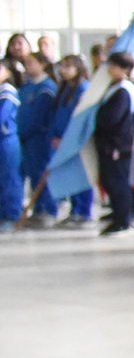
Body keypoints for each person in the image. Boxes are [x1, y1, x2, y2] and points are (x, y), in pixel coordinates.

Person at [93, 51, 134, 235]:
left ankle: (123, 219)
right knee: (109, 180)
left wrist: (96, 119)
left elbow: (112, 118)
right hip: (108, 143)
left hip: (118, 144)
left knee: (118, 182)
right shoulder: (113, 87)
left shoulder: (123, 91)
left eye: (113, 66)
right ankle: (116, 213)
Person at [51, 55, 96, 227]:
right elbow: (57, 115)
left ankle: (84, 212)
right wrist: (54, 136)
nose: (64, 70)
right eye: (62, 66)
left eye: (68, 66)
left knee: (81, 175)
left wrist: (69, 139)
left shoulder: (83, 88)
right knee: (70, 175)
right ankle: (74, 210)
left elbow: (80, 118)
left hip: (76, 141)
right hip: (61, 140)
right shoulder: (64, 89)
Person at [13, 38, 51, 227]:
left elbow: (39, 116)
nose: (27, 66)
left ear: (42, 64)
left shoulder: (46, 88)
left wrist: (26, 131)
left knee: (40, 173)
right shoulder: (27, 85)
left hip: (39, 137)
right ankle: (37, 209)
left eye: (31, 63)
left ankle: (47, 209)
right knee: (30, 173)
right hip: (25, 137)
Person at [0, 47, 20, 232]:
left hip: (6, 140)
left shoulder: (7, 92)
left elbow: (2, 115)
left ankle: (11, 215)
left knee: (9, 178)